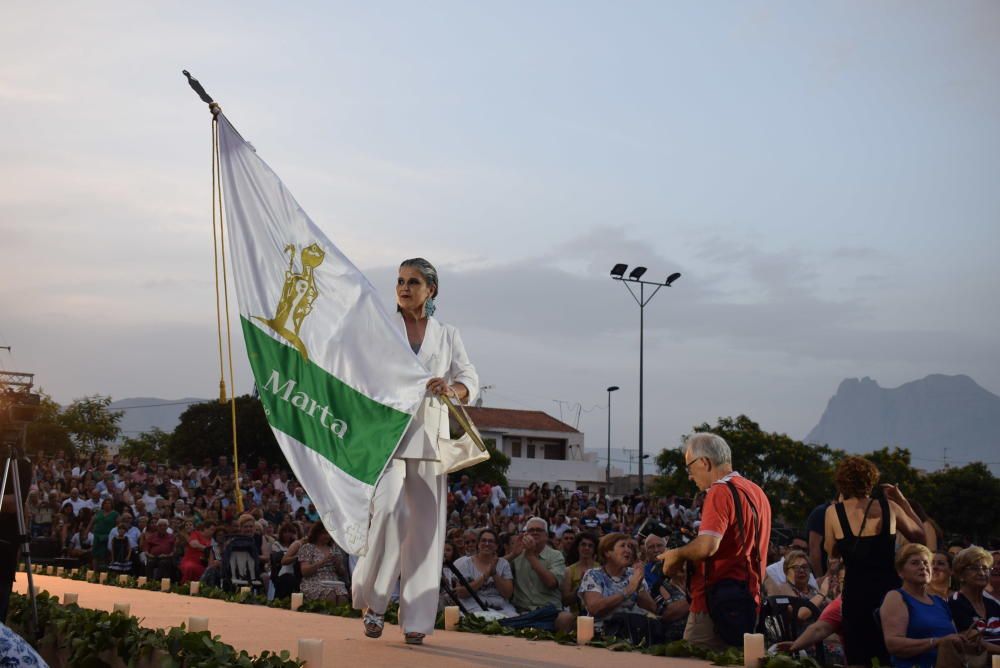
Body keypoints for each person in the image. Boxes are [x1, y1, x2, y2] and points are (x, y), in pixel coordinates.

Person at [352, 258, 479, 646]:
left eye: (413, 282)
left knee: (426, 530)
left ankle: (417, 620)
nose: (404, 288)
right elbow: (359, 371)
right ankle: (373, 602)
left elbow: (470, 378)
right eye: (400, 281)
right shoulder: (379, 325)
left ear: (431, 290)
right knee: (389, 511)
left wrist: (452, 389)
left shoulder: (447, 334)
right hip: (386, 436)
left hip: (430, 437)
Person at [657, 433, 772, 650]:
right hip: (748, 598)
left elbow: (707, 545)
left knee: (694, 659)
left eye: (689, 468)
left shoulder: (720, 491)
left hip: (715, 601)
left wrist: (677, 555)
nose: (690, 476)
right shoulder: (756, 491)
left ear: (704, 462)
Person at [824, 456, 926, 667]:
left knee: (857, 657)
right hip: (889, 594)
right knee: (892, 655)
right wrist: (903, 501)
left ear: (842, 482)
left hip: (855, 595)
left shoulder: (833, 512)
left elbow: (831, 550)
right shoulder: (889, 507)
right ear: (871, 480)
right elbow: (920, 535)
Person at [881, 543, 966, 668]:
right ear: (900, 572)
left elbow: (951, 637)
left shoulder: (940, 602)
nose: (923, 567)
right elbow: (894, 645)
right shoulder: (896, 597)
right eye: (915, 563)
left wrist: (965, 641)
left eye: (926, 563)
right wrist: (937, 642)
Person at [578, 532, 658, 634]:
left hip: (633, 631)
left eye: (629, 546)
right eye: (622, 546)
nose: (628, 550)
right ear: (607, 552)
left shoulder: (633, 574)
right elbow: (594, 608)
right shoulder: (594, 575)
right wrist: (628, 591)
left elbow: (652, 608)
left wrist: (639, 586)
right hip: (603, 632)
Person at [506, 517, 574, 632]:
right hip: (521, 611)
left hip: (548, 611)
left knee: (566, 617)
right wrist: (512, 554)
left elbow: (551, 583)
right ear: (525, 534)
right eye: (531, 530)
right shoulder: (517, 554)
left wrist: (530, 556)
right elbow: (496, 569)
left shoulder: (556, 556)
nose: (535, 533)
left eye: (539, 530)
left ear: (546, 536)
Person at [452, 528, 516, 616]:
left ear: (496, 546)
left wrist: (494, 573)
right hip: (474, 607)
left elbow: (507, 594)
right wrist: (484, 577)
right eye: (483, 541)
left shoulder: (503, 564)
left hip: (501, 607)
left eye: (491, 541)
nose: (487, 544)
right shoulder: (466, 564)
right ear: (478, 544)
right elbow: (461, 593)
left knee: (514, 618)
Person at [949, 546, 1000, 654]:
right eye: (974, 568)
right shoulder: (956, 603)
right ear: (960, 575)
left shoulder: (993, 605)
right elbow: (976, 642)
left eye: (985, 568)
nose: (982, 573)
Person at [298, 522, 349, 604]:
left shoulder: (334, 548)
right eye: (324, 533)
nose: (327, 536)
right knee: (330, 595)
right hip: (314, 581)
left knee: (342, 597)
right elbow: (304, 571)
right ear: (316, 534)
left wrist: (338, 564)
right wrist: (322, 562)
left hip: (333, 581)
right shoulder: (308, 547)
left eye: (329, 533)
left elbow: (342, 573)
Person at [179, 519, 212, 584]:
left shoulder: (200, 535)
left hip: (201, 560)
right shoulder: (191, 534)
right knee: (190, 567)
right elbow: (193, 545)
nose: (188, 526)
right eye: (186, 525)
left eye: (190, 525)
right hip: (189, 558)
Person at [90, 497, 118, 568]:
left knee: (106, 554)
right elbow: (92, 522)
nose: (107, 505)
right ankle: (94, 571)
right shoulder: (99, 512)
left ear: (112, 505)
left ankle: (106, 571)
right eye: (106, 503)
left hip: (108, 536)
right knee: (95, 554)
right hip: (97, 535)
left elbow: (118, 525)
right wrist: (87, 531)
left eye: (109, 503)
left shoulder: (115, 514)